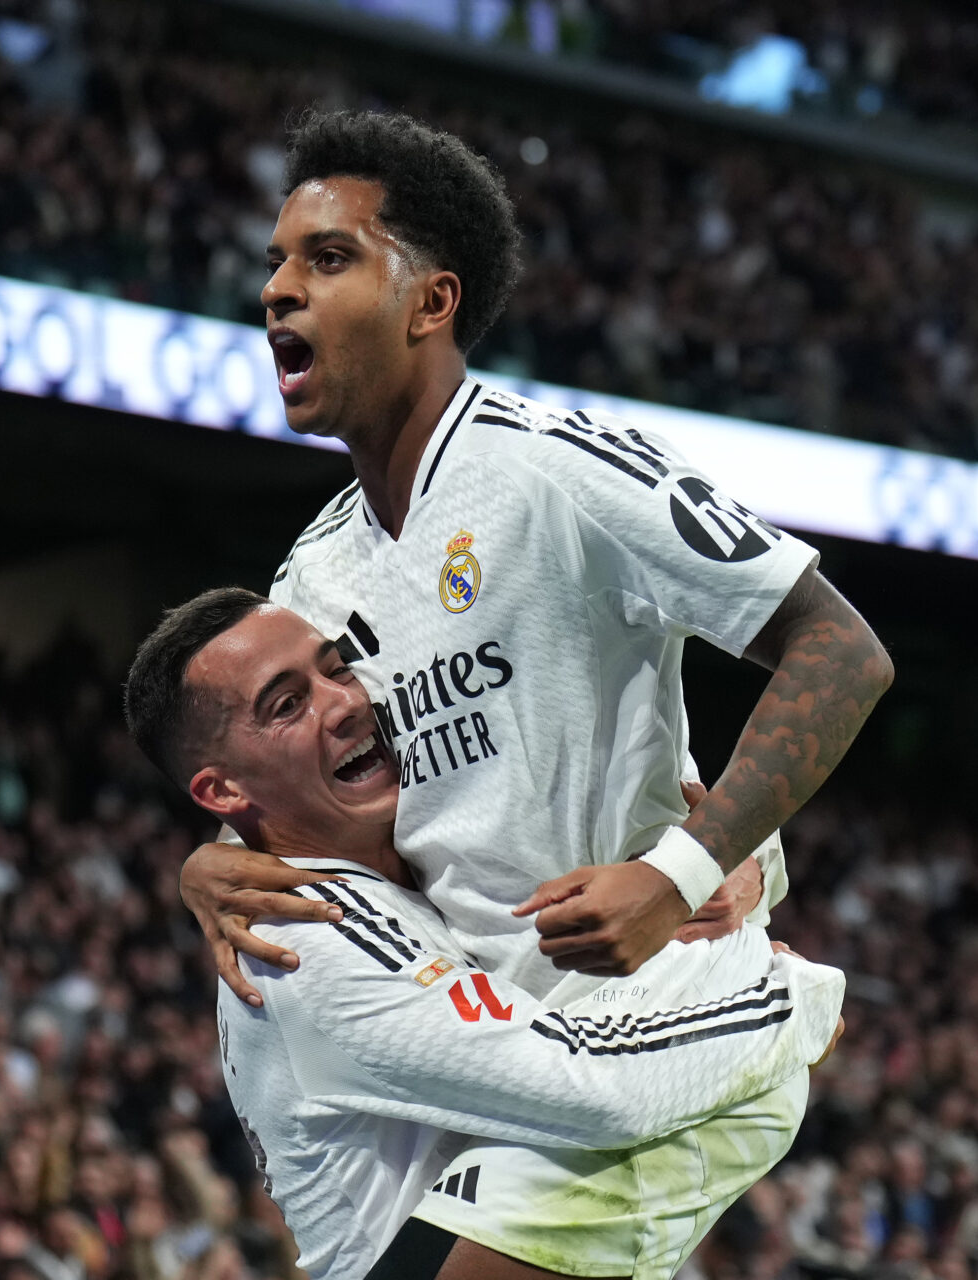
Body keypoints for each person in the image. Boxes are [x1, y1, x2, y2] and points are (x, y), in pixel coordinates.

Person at [180, 107, 892, 1002]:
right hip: (495, 1044)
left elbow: (841, 650)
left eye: (328, 259)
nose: (277, 289)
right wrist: (213, 861)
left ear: (432, 303)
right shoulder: (311, 575)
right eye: (276, 262)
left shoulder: (560, 469)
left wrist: (687, 871)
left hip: (630, 1016)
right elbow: (306, 798)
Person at [126, 589, 847, 1280]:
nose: (346, 703)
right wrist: (794, 1005)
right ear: (222, 792)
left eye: (338, 668)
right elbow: (595, 1084)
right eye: (288, 705)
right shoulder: (303, 937)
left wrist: (734, 859)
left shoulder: (413, 859)